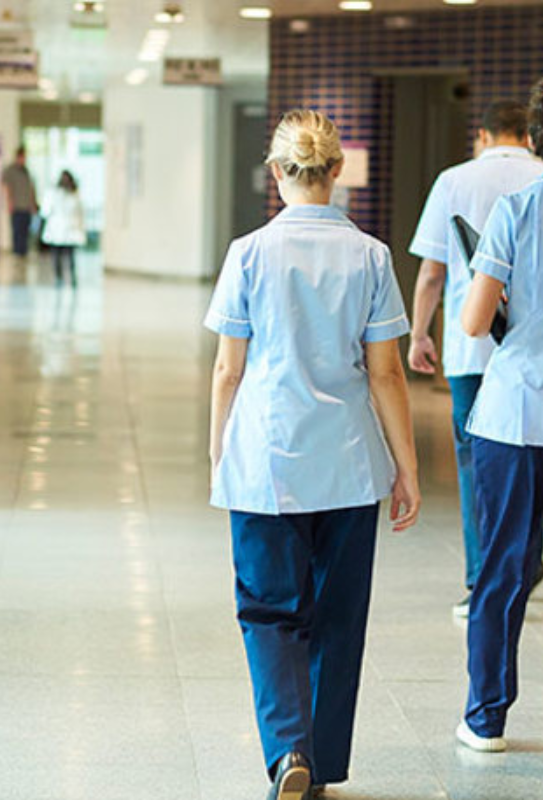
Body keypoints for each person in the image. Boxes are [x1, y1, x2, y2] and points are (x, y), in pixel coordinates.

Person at [205, 110, 420, 800]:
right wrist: (407, 467)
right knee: (337, 617)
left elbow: (228, 370)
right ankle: (320, 765)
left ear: (277, 172)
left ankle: (287, 750)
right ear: (337, 171)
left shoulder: (248, 253)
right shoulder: (371, 256)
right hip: (349, 465)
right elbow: (386, 373)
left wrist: (219, 451)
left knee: (269, 612)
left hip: (267, 459)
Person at [408, 101, 543, 617]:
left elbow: (432, 273)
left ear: (483, 135)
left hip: (473, 351)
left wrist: (419, 334)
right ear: (526, 136)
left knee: (476, 466)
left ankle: (480, 578)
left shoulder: (454, 180)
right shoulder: (535, 178)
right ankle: (530, 563)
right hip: (531, 351)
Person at [456, 78, 543, 754]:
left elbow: (474, 320)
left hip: (516, 417)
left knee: (502, 571)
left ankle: (486, 718)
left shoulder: (518, 209)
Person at [42, 170, 87, 287]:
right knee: (68, 256)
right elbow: (79, 213)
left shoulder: (56, 194)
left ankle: (60, 277)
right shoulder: (72, 195)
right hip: (65, 229)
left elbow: (45, 211)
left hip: (61, 230)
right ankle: (69, 277)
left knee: (58, 255)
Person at [2, 144, 38, 258]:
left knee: (25, 231)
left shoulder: (26, 171)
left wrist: (33, 204)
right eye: (23, 157)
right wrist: (9, 203)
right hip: (16, 206)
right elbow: (6, 187)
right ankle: (17, 253)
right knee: (17, 231)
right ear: (18, 157)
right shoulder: (10, 170)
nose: (24, 160)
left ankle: (23, 253)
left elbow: (31, 188)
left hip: (26, 206)